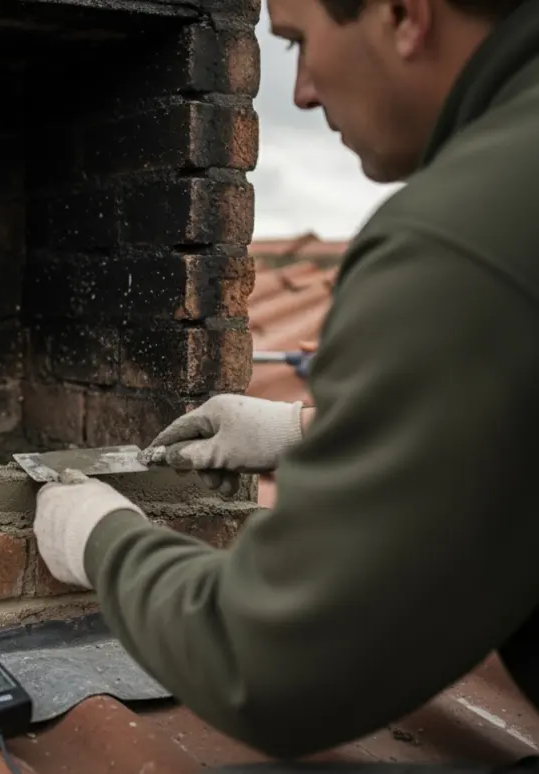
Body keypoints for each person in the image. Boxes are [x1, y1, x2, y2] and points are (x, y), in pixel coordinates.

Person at [32, 0, 539, 759]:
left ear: (405, 14)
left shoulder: (461, 241)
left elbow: (272, 666)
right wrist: (302, 431)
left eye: (300, 41)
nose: (299, 92)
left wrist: (99, 538)